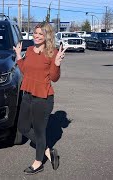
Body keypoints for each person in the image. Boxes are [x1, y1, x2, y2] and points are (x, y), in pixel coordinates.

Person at [13, 22, 67, 175]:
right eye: (35, 33)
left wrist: (56, 64)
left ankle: (38, 163)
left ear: (47, 36)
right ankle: (48, 150)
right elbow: (25, 71)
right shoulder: (29, 50)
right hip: (28, 94)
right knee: (23, 127)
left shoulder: (52, 53)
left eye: (40, 34)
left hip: (43, 97)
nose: (36, 36)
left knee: (39, 131)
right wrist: (18, 56)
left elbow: (54, 78)